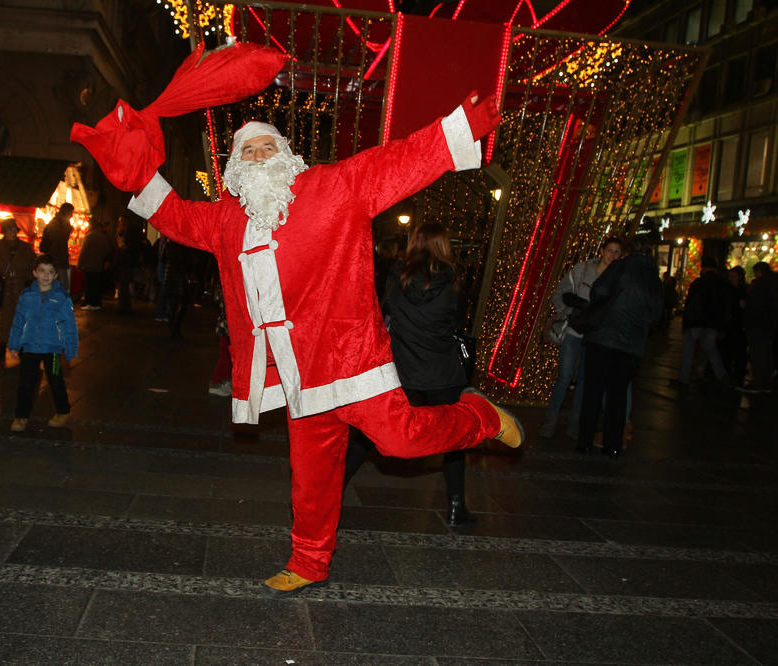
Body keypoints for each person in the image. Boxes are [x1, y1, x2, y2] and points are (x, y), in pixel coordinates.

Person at [91, 88, 521, 596]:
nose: (257, 156)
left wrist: (457, 129)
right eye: (247, 151)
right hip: (297, 373)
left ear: (287, 155)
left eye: (266, 147)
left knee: (401, 441)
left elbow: (396, 163)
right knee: (312, 474)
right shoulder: (227, 220)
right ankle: (310, 561)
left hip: (352, 360)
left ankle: (481, 417)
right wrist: (136, 171)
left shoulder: (331, 186)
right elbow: (176, 215)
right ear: (235, 168)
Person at [343, 222, 476, 525]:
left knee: (367, 433)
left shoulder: (396, 276)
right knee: (453, 436)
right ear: (445, 245)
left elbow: (382, 312)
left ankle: (331, 495)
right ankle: (456, 507)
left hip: (400, 365)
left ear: (414, 242)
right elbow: (456, 322)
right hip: (440, 368)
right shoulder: (454, 281)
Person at [576, 240, 662, 458]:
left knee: (593, 391)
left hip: (603, 337)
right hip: (631, 345)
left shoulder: (619, 267)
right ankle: (613, 444)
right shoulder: (653, 278)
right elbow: (656, 314)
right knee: (618, 394)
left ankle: (585, 441)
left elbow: (599, 290)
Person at [540, 236, 623, 439]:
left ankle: (575, 425)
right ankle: (550, 422)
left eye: (616, 252)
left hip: (596, 336)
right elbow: (561, 293)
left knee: (585, 381)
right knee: (565, 376)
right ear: (601, 251)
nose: (612, 255)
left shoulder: (617, 279)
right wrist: (575, 305)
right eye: (609, 250)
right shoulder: (583, 269)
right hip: (574, 330)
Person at [8, 254, 79, 431]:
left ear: (55, 275)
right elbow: (18, 320)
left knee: (56, 380)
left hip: (52, 349)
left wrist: (70, 348)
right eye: (42, 271)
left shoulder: (61, 297)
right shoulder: (27, 296)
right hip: (30, 346)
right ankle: (21, 417)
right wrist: (14, 344)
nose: (46, 275)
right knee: (26, 383)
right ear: (34, 273)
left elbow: (69, 324)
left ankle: (63, 411)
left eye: (50, 272)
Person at [0, 218, 35, 362]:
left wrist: (33, 283)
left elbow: (33, 266)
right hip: (6, 290)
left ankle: (22, 346)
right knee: (6, 320)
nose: (13, 232)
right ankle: (2, 347)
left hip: (23, 289)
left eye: (14, 229)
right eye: (10, 229)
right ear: (4, 232)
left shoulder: (25, 248)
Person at [675, 256, 731, 390]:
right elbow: (725, 306)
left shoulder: (699, 283)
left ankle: (683, 379)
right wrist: (722, 325)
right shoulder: (722, 285)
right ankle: (721, 375)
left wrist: (686, 322)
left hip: (696, 321)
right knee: (711, 349)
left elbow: (690, 304)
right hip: (712, 323)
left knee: (689, 349)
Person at [739, 261, 778, 394]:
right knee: (766, 354)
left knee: (758, 354)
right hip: (769, 325)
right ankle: (766, 382)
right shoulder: (773, 283)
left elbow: (754, 306)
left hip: (758, 324)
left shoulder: (760, 285)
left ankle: (758, 383)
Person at [77, 219, 114, 310]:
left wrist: (79, 264)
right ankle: (96, 303)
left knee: (89, 284)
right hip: (99, 264)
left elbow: (83, 252)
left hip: (89, 264)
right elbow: (108, 250)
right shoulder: (103, 236)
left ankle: (90, 303)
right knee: (97, 284)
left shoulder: (89, 236)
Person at [40, 203, 74, 289]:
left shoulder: (59, 223)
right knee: (59, 286)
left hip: (57, 260)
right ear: (66, 212)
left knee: (60, 286)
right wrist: (68, 228)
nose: (71, 216)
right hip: (56, 260)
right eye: (71, 213)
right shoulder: (57, 224)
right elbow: (60, 239)